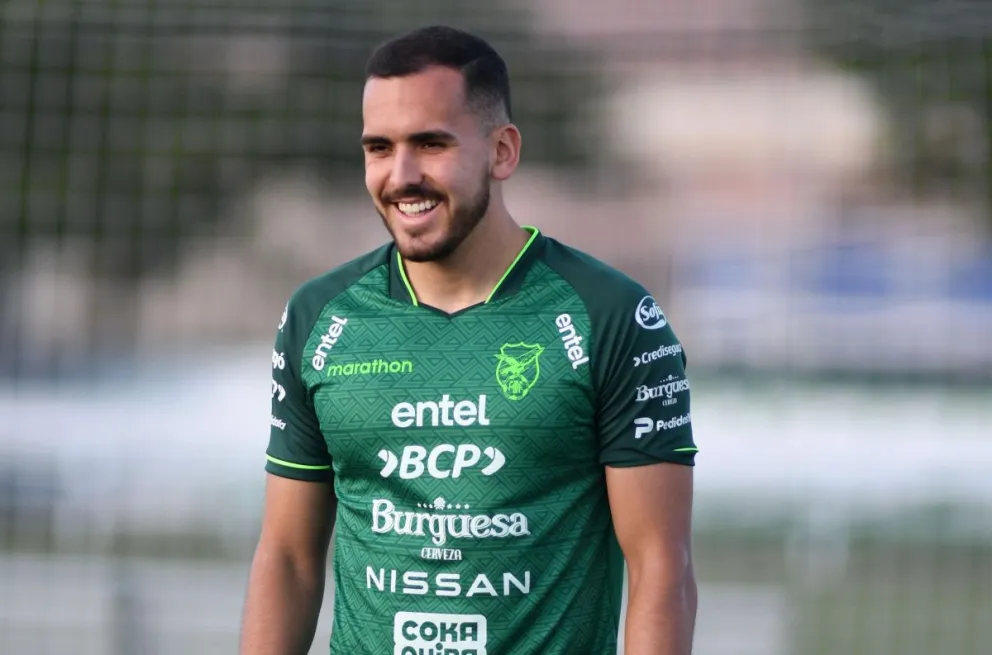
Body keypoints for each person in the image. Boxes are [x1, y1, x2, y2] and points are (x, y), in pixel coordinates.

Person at [239, 24, 698, 655]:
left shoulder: (612, 316)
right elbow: (288, 558)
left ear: (502, 151)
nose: (401, 176)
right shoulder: (320, 318)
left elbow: (660, 569)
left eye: (430, 144)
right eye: (379, 148)